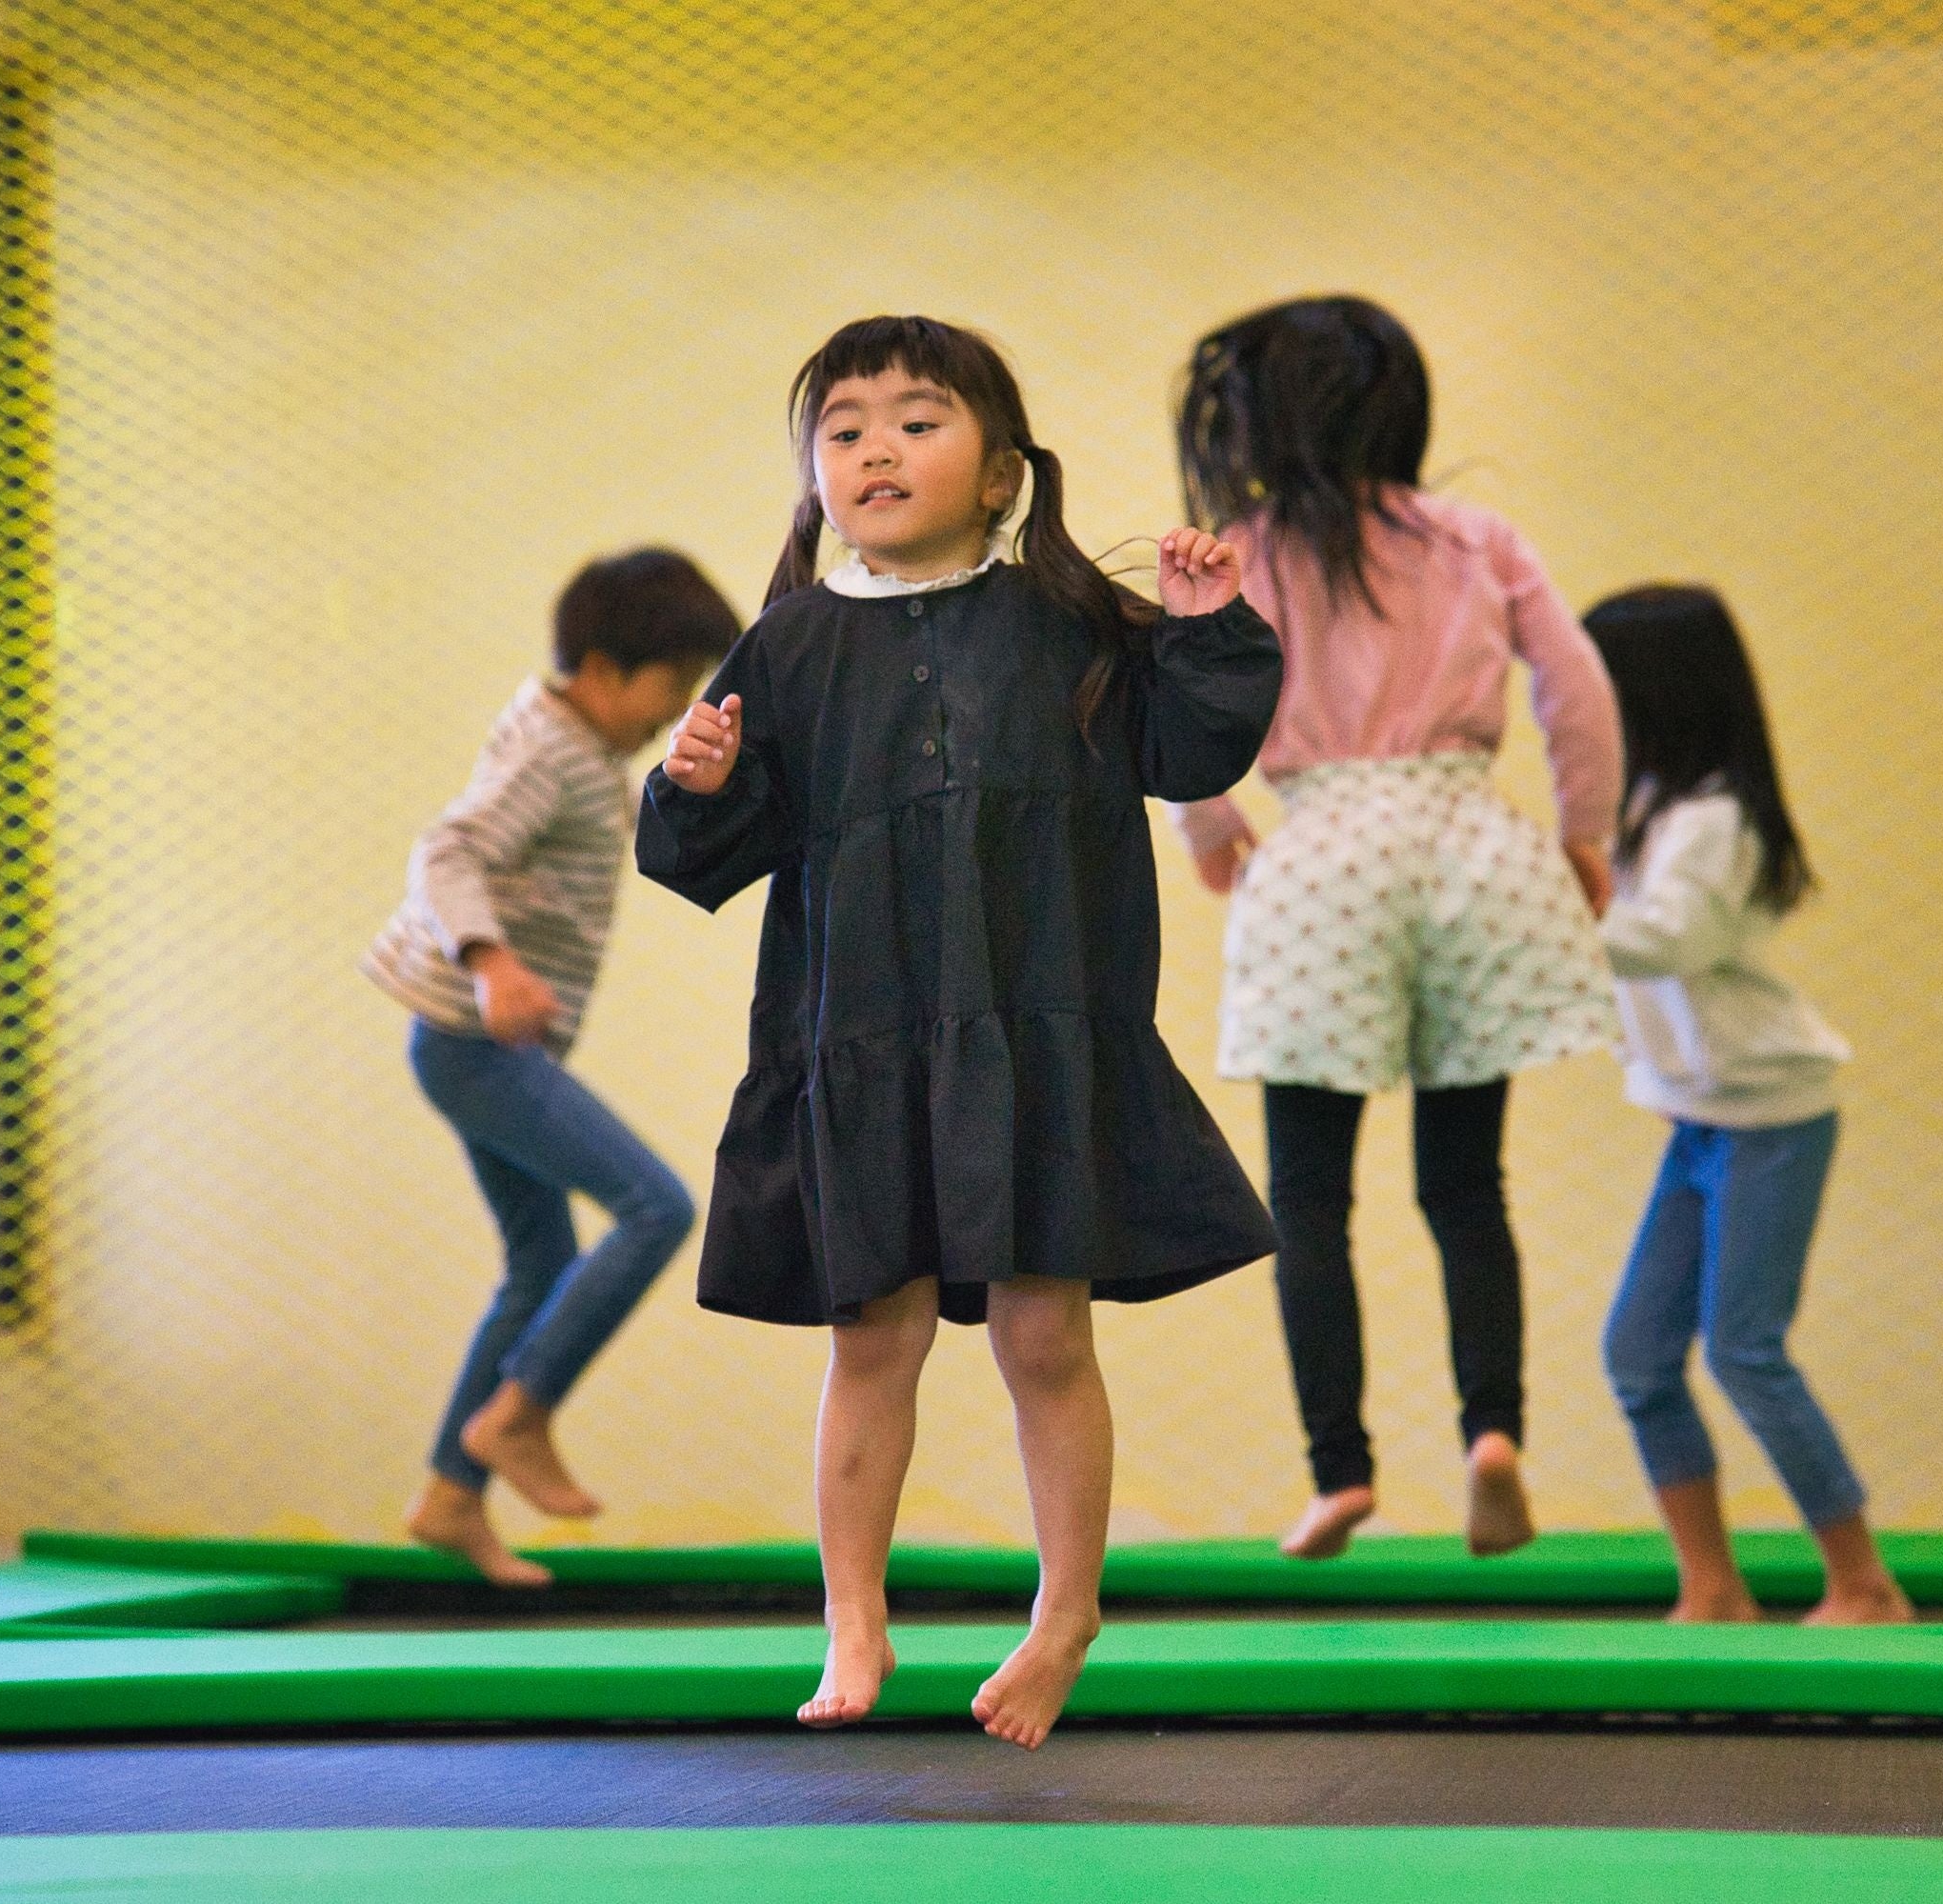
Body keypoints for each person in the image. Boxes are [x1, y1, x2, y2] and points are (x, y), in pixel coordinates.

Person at [638, 315, 1280, 1748]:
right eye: (846, 424)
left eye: (918, 419)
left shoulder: (1070, 622)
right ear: (816, 474)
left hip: (1042, 1027)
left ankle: (1066, 1612)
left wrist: (1203, 626)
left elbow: (1191, 749)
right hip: (862, 1036)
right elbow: (699, 859)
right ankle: (852, 1612)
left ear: (1001, 473)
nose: (876, 444)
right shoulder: (792, 643)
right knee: (875, 1327)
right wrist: (692, 779)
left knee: (1046, 1330)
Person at [1170, 295, 1620, 1562]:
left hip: (1317, 854)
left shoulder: (1242, 550)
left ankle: (1340, 1470)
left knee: (1311, 1195)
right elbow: (1574, 686)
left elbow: (1176, 703)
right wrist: (1584, 830)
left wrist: (1210, 829)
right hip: (1468, 844)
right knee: (1466, 1183)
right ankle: (1494, 1433)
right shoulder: (1475, 536)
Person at [364, 549, 738, 1587]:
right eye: (669, 691)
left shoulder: (574, 743)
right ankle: (519, 1415)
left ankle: (450, 1493)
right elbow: (444, 851)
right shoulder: (555, 753)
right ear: (607, 669)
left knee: (538, 1262)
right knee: (655, 1206)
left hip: (477, 1045)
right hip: (473, 1042)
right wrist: (489, 962)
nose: (670, 716)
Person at [1584, 583, 1911, 1625]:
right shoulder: (1647, 808)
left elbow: (1673, 940)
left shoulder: (1716, 816)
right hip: (1699, 1116)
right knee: (1638, 1353)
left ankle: (1864, 1583)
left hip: (1772, 1114)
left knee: (1744, 1348)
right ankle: (1711, 1584)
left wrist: (1547, 907)